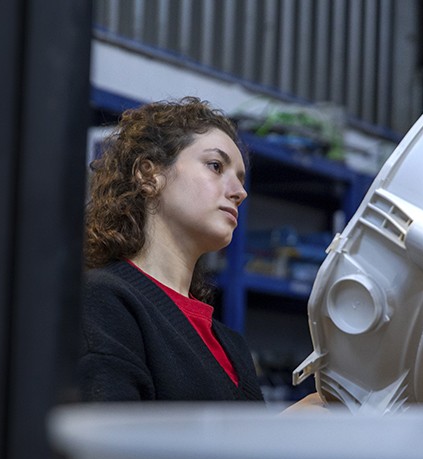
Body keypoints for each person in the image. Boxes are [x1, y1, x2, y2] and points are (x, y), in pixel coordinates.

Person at [78, 96, 325, 410]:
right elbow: (112, 438)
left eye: (241, 179)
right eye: (216, 166)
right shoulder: (104, 300)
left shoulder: (231, 345)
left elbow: (235, 441)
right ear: (149, 175)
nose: (240, 192)